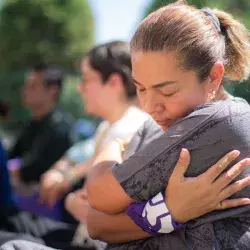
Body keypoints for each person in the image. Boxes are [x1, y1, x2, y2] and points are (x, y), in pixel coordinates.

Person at [86, 1, 250, 249]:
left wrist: (115, 147)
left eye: (168, 91)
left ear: (214, 77)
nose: (150, 106)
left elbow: (99, 195)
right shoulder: (157, 126)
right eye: (140, 88)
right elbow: (96, 223)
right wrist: (170, 211)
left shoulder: (224, 122)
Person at [39, 41, 149, 208]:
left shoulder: (126, 131)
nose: (79, 88)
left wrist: (71, 200)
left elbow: (97, 211)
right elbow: (88, 155)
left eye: (86, 79)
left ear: (114, 83)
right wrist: (67, 173)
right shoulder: (110, 126)